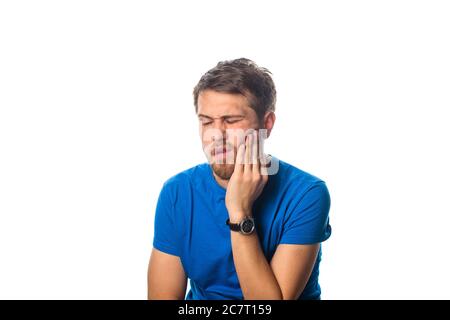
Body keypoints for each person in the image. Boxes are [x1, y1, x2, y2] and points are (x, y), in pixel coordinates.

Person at [147, 58, 332, 300]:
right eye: (206, 122)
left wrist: (239, 212)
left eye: (231, 121)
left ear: (267, 123)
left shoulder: (307, 193)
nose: (216, 135)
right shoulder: (177, 192)